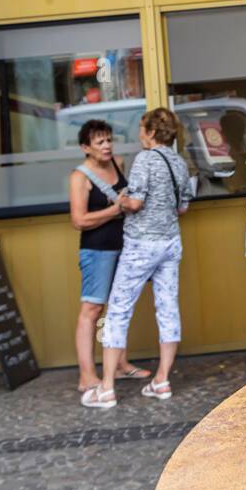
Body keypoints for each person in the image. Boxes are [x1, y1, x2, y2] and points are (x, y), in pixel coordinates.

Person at [84, 108, 191, 409]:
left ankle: (105, 389)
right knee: (168, 308)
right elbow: (182, 207)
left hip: (141, 245)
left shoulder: (145, 159)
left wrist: (122, 201)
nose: (139, 133)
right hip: (170, 243)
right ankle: (162, 380)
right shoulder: (179, 162)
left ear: (153, 132)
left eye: (143, 128)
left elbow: (137, 202)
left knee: (118, 310)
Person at [68, 119, 150, 393]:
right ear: (85, 147)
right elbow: (79, 220)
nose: (106, 146)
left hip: (124, 246)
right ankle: (87, 375)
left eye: (108, 140)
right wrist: (115, 210)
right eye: (99, 142)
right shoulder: (80, 177)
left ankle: (119, 364)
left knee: (118, 307)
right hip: (97, 250)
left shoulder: (118, 163)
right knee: (91, 310)